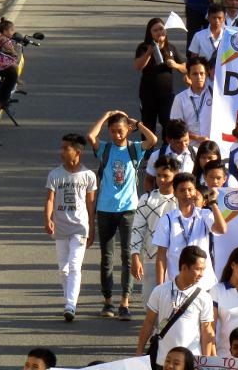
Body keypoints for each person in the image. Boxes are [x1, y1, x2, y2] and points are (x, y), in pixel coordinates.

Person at [86, 109, 158, 320]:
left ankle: (124, 302)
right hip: (106, 208)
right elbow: (91, 136)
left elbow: (152, 139)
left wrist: (137, 123)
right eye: (113, 131)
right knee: (107, 257)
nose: (118, 135)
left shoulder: (135, 149)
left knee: (128, 256)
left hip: (128, 210)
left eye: (121, 130)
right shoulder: (105, 149)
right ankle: (108, 301)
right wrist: (106, 115)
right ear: (109, 131)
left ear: (128, 130)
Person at [44, 133, 97, 322]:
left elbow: (91, 204)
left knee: (75, 265)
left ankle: (70, 305)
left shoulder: (88, 176)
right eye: (62, 147)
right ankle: (68, 301)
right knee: (63, 269)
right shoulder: (55, 174)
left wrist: (92, 227)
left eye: (66, 148)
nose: (62, 151)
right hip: (61, 227)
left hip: (80, 228)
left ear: (78, 152)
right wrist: (47, 218)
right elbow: (50, 199)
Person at [137, 246, 217, 360]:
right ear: (184, 267)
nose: (202, 274)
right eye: (198, 269)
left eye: (204, 269)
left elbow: (207, 331)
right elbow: (148, 323)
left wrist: (206, 361)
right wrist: (139, 352)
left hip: (191, 362)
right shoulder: (160, 291)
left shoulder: (205, 297)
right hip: (163, 361)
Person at [152, 172, 227, 289]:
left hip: (204, 284)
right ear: (175, 193)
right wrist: (159, 287)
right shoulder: (167, 219)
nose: (187, 194)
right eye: (182, 190)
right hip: (177, 284)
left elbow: (222, 229)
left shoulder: (204, 214)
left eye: (190, 190)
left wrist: (213, 203)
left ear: (195, 191)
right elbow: (161, 256)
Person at [132, 154, 179, 293]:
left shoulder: (182, 201)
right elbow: (137, 229)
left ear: (176, 176)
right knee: (151, 304)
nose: (161, 180)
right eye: (158, 176)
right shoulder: (146, 199)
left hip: (178, 261)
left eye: (166, 176)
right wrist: (135, 256)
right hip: (151, 259)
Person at [136, 18, 185, 134]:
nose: (159, 32)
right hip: (148, 94)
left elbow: (186, 68)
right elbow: (138, 66)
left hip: (167, 95)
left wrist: (176, 65)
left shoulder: (171, 48)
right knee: (148, 125)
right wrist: (148, 52)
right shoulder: (143, 47)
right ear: (150, 33)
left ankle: (166, 148)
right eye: (155, 30)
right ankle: (147, 150)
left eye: (161, 29)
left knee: (167, 122)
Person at [170, 56, 212, 144]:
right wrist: (197, 138)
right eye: (195, 74)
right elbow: (176, 127)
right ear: (188, 75)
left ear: (207, 74)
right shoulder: (180, 98)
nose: (199, 77)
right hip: (189, 148)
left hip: (211, 148)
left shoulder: (214, 95)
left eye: (202, 73)